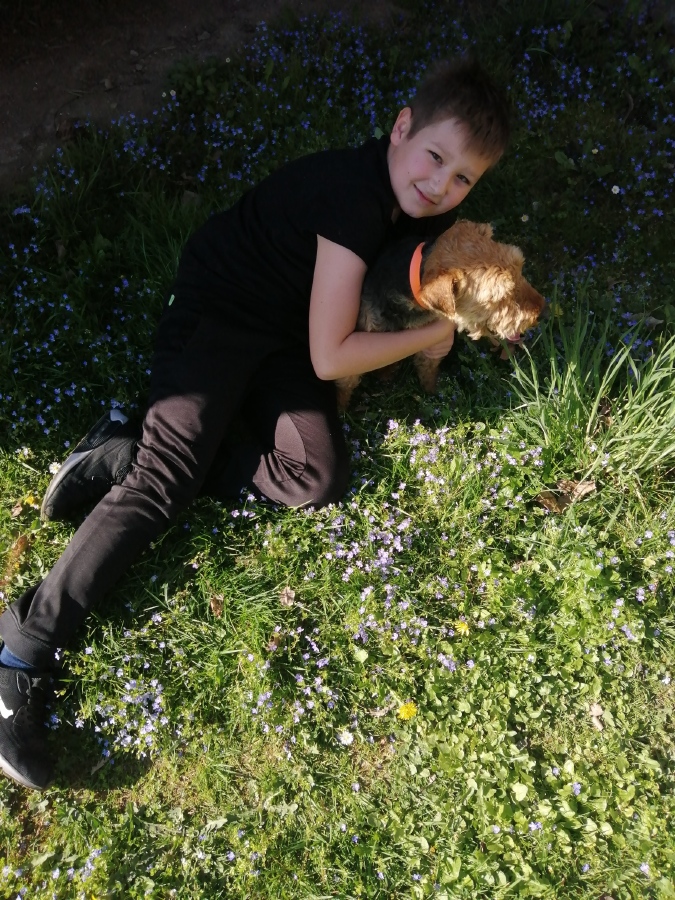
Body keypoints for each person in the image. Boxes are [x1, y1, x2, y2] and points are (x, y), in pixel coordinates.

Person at [0, 57, 510, 790]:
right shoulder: (352, 196)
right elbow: (332, 357)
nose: (440, 185)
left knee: (317, 477)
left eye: (462, 178)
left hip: (286, 332)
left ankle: (121, 451)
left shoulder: (417, 207)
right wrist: (435, 334)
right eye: (434, 156)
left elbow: (342, 327)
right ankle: (22, 652)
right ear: (401, 128)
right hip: (220, 313)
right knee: (164, 485)